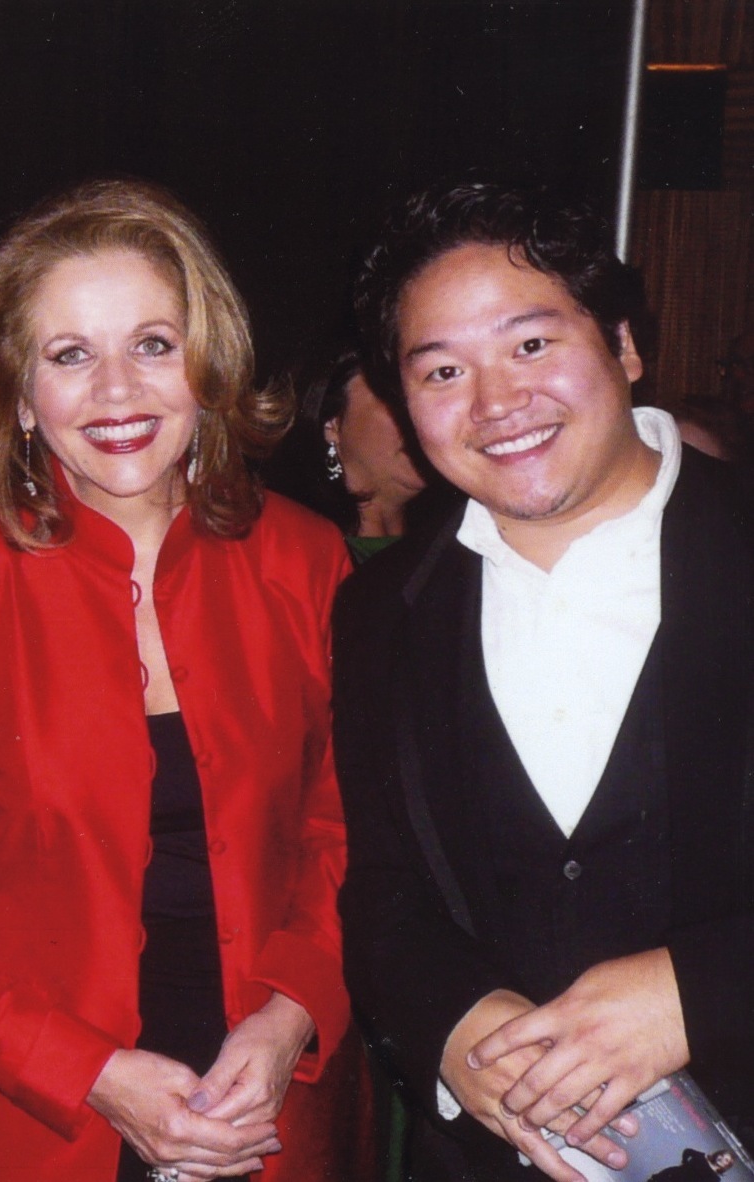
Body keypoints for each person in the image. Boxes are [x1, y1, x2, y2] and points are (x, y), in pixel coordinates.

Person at [0, 178, 369, 1182]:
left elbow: (345, 835)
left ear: (208, 366)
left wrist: (291, 1016)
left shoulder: (307, 561)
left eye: (152, 345)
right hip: (30, 1130)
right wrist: (88, 1072)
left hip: (270, 1121)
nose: (117, 391)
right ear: (18, 397)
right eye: (69, 355)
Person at [335, 181, 754, 1182]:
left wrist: (699, 992)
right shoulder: (378, 609)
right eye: (443, 370)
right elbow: (381, 889)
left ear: (623, 345)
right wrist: (450, 1028)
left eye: (530, 344)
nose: (495, 404)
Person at [313, 349, 430, 564]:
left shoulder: (453, 541)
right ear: (333, 425)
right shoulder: (309, 551)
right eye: (393, 399)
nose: (417, 417)